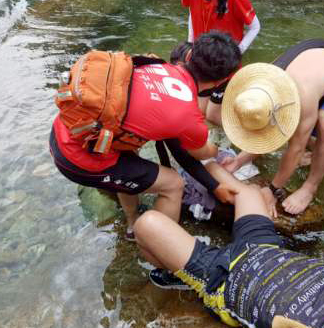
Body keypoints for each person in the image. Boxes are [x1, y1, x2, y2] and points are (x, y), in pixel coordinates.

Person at [133, 162, 324, 328]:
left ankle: (181, 276)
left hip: (224, 280)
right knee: (250, 193)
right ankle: (205, 163)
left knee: (146, 226)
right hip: (270, 251)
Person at [50, 32, 242, 241]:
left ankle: (133, 225)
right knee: (174, 184)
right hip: (79, 161)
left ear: (188, 56)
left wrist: (214, 186)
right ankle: (156, 248)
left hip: (66, 131)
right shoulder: (189, 116)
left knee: (129, 153)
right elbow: (196, 154)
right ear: (221, 81)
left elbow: (176, 148)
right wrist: (213, 147)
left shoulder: (151, 64)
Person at [221, 39, 324, 216]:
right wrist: (239, 161)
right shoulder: (259, 86)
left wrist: (272, 189)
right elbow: (267, 129)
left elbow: (295, 148)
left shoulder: (303, 95)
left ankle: (310, 187)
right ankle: (315, 151)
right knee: (297, 127)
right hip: (321, 63)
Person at [181, 0, 261, 125]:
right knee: (200, 111)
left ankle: (241, 136)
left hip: (224, 67)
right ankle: (217, 139)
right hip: (201, 63)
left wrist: (237, 51)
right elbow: (192, 12)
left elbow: (255, 27)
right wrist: (190, 42)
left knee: (213, 115)